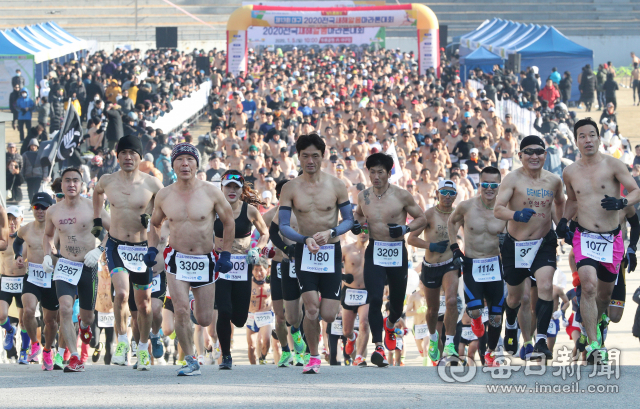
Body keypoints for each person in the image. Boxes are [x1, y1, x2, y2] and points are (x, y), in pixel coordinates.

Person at [145, 143, 235, 376]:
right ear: (172, 164)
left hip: (205, 259)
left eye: (190, 159)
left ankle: (196, 304)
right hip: (176, 260)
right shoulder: (164, 195)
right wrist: (152, 249)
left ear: (197, 164)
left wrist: (225, 252)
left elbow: (228, 221)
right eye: (180, 160)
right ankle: (190, 359)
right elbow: (154, 224)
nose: (185, 164)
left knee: (204, 320)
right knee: (181, 310)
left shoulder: (212, 192)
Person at [559, 118, 640, 362]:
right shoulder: (570, 171)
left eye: (592, 135)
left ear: (598, 137)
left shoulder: (614, 165)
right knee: (589, 285)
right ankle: (594, 344)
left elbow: (636, 190)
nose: (588, 140)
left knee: (604, 296)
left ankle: (591, 327)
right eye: (582, 136)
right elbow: (572, 200)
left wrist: (621, 202)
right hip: (584, 236)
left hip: (611, 240)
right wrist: (564, 221)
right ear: (576, 141)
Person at [278, 133, 355, 374]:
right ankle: (313, 357)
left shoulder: (336, 185)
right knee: (310, 309)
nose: (310, 160)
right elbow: (283, 225)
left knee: (329, 315)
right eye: (305, 156)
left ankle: (318, 340)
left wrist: (331, 231)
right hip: (305, 252)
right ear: (298, 158)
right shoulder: (290, 187)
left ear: (323, 156)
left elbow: (349, 221)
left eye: (314, 155)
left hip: (331, 251)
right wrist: (304, 239)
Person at [91, 135, 164, 370]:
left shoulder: (151, 183)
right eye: (124, 153)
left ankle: (142, 348)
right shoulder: (107, 180)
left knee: (143, 306)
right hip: (116, 245)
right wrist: (97, 218)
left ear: (140, 157)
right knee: (121, 294)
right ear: (118, 156)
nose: (128, 157)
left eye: (133, 153)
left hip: (142, 249)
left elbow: (165, 206)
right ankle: (122, 342)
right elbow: (96, 193)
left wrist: (152, 215)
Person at [494, 135, 566, 360]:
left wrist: (561, 225)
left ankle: (542, 340)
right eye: (529, 152)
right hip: (516, 245)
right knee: (516, 298)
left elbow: (561, 201)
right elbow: (498, 209)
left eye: (539, 151)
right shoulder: (512, 179)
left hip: (543, 243)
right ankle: (512, 321)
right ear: (520, 156)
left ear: (545, 155)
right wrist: (516, 214)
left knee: (545, 286)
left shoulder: (554, 180)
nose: (534, 156)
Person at [352, 152, 426, 367]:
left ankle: (391, 324)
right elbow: (358, 215)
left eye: (380, 172)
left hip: (396, 251)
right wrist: (358, 225)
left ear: (389, 173)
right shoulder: (363, 196)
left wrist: (404, 228)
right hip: (375, 249)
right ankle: (378, 347)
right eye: (372, 172)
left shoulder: (402, 196)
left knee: (395, 304)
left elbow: (421, 218)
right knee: (374, 299)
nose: (376, 177)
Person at [43, 167, 111, 372]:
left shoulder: (93, 207)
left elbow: (113, 229)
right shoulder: (53, 211)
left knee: (88, 316)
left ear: (82, 185)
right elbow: (47, 236)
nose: (71, 184)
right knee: (64, 308)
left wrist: (99, 250)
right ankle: (74, 356)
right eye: (67, 181)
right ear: (61, 185)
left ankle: (83, 325)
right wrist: (47, 255)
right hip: (65, 265)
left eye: (76, 181)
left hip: (87, 266)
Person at [447, 166, 507, 367]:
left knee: (497, 316)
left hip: (494, 264)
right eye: (485, 185)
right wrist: (455, 247)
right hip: (472, 263)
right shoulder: (466, 206)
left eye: (493, 185)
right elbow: (451, 222)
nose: (489, 189)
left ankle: (490, 352)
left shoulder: (503, 209)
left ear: (499, 186)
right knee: (474, 312)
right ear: (479, 184)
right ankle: (476, 320)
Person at [213, 170, 269, 370]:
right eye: (228, 186)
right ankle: (226, 355)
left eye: (236, 187)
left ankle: (228, 344)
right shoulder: (214, 209)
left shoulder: (250, 211)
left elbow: (265, 232)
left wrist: (257, 248)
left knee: (239, 318)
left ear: (241, 189)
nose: (231, 190)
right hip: (220, 265)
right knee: (224, 310)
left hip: (242, 265)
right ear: (221, 187)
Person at [408, 180, 460, 363]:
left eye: (451, 193)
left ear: (456, 195)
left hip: (450, 264)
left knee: (452, 301)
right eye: (444, 192)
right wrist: (431, 245)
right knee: (432, 310)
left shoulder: (458, 214)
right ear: (437, 193)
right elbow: (411, 239)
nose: (447, 196)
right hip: (430, 266)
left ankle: (450, 342)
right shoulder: (428, 214)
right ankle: (433, 338)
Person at [14, 193, 58, 369]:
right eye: (36, 207)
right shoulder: (26, 229)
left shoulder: (57, 229)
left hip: (51, 277)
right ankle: (34, 343)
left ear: (50, 208)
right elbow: (17, 242)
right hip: (32, 276)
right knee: (28, 310)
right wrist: (18, 256)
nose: (40, 211)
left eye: (44, 207)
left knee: (50, 321)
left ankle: (47, 350)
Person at [268, 180, 308, 366]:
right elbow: (259, 237)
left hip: (299, 263)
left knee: (298, 308)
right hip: (278, 266)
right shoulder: (270, 216)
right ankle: (285, 350)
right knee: (279, 315)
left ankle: (298, 338)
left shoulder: (304, 212)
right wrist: (260, 249)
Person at [0, 206, 27, 363]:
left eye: (14, 219)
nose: (11, 222)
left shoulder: (25, 236)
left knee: (24, 319)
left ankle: (24, 351)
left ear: (21, 220)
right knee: (2, 315)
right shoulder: (3, 238)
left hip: (22, 280)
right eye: (9, 218)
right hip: (5, 280)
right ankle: (10, 330)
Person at [340, 229, 371, 367]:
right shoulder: (346, 249)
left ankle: (359, 357)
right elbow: (334, 267)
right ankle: (352, 338)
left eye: (366, 230)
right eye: (360, 231)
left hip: (366, 291)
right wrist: (342, 276)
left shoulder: (373, 250)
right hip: (349, 291)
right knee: (346, 331)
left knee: (364, 323)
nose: (363, 233)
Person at [608, 204, 639, 323]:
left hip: (617, 261)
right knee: (597, 306)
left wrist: (632, 249)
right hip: (595, 260)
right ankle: (594, 337)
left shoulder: (624, 202)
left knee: (615, 316)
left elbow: (636, 224)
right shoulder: (588, 197)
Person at [245, 258, 273, 365]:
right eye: (256, 270)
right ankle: (253, 367)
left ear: (267, 270)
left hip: (266, 315)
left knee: (265, 341)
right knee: (251, 346)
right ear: (252, 271)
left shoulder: (271, 283)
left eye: (261, 270)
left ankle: (262, 358)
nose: (259, 273)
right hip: (252, 315)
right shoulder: (248, 283)